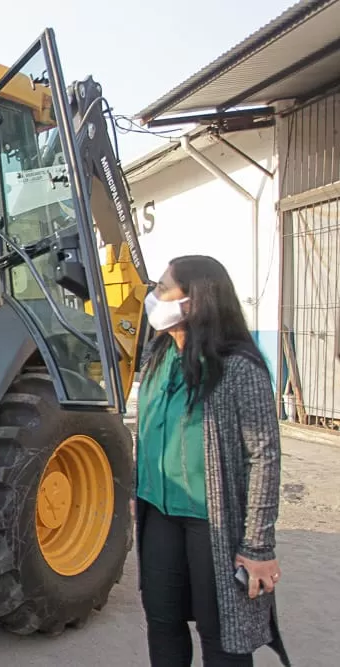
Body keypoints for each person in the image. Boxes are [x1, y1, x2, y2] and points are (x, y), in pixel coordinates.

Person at [134, 255, 290, 667]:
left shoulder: (238, 367)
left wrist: (258, 546)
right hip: (159, 513)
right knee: (162, 621)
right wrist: (140, 489)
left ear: (194, 301)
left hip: (212, 521)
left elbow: (264, 457)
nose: (153, 296)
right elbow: (149, 431)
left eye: (162, 288)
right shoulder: (158, 355)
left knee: (220, 634)